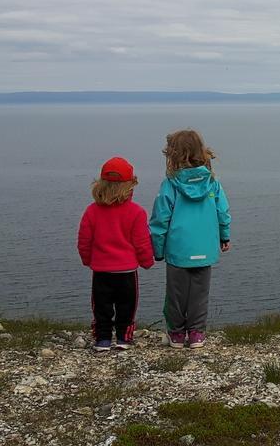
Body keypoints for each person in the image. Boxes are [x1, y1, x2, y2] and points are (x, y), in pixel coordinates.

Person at [149, 129, 232, 349]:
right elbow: (223, 212)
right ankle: (196, 334)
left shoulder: (170, 184)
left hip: (178, 249)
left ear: (173, 155)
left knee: (176, 294)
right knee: (199, 293)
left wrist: (157, 249)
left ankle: (176, 334)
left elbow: (159, 220)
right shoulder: (212, 182)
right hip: (205, 248)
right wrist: (225, 236)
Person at [77, 156, 155, 352]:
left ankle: (102, 339)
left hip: (101, 270)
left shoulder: (92, 211)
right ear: (130, 185)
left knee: (101, 306)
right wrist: (147, 261)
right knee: (127, 306)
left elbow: (84, 241)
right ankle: (123, 337)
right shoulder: (136, 212)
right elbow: (142, 242)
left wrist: (88, 260)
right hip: (126, 271)